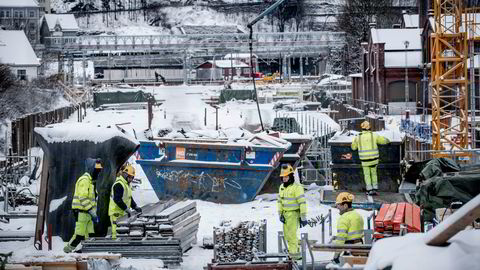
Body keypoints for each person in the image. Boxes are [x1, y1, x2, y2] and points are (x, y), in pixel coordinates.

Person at [64, 158, 103, 253]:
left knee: (90, 235)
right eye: (97, 170)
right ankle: (66, 251)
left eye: (99, 171)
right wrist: (92, 211)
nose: (98, 173)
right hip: (82, 213)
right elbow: (83, 197)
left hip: (88, 214)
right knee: (79, 235)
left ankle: (86, 252)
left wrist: (93, 213)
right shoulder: (84, 180)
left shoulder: (91, 182)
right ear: (91, 169)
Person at [277, 164, 307, 260]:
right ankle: (295, 253)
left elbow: (302, 203)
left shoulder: (297, 188)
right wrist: (280, 214)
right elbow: (279, 202)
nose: (284, 179)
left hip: (293, 214)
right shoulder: (282, 187)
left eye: (286, 177)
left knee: (292, 235)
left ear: (291, 176)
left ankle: (293, 255)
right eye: (283, 177)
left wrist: (303, 217)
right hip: (285, 215)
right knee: (287, 235)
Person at [351, 121, 390, 195]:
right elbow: (383, 141)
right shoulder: (374, 135)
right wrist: (387, 140)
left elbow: (353, 147)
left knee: (367, 175)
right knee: (374, 173)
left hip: (364, 160)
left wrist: (353, 142)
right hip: (374, 159)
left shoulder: (358, 137)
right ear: (369, 127)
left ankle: (369, 190)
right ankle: (375, 188)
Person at [108, 164, 142, 239]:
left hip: (122, 213)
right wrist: (127, 209)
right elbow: (117, 200)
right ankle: (114, 247)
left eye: (132, 177)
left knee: (123, 232)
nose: (131, 179)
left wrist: (135, 206)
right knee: (116, 232)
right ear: (125, 175)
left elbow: (129, 197)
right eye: (130, 177)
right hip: (116, 213)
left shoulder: (126, 184)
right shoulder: (119, 184)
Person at [332, 192, 364, 264]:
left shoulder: (344, 218)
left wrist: (336, 255)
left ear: (345, 205)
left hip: (349, 249)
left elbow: (341, 239)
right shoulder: (358, 215)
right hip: (360, 248)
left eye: (338, 205)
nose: (337, 207)